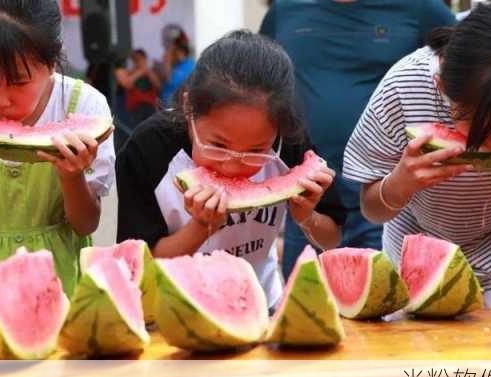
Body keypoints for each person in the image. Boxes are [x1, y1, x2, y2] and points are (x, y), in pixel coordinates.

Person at [116, 31, 347, 310]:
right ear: (189, 107)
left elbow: (332, 237)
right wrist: (200, 227)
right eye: (218, 145)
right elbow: (141, 264)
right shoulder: (148, 149)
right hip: (174, 313)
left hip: (260, 306)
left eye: (256, 150)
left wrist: (307, 217)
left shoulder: (288, 143)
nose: (233, 165)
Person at [0, 0, 115, 333]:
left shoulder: (84, 105)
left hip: (60, 287)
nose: (0, 100)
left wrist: (72, 177)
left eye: (17, 82)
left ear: (51, 60)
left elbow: (86, 224)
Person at [343, 0, 491, 308]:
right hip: (417, 258)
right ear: (441, 86)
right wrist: (399, 185)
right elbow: (370, 208)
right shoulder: (403, 88)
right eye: (474, 126)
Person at [260, 0, 457, 278]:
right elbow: (261, 87)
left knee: (387, 311)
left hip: (387, 203)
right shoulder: (284, 10)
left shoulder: (420, 8)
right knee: (307, 312)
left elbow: (474, 69)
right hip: (308, 204)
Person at [115, 49, 161, 129]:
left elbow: (158, 85)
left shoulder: (151, 72)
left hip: (150, 106)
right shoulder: (131, 72)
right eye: (136, 60)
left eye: (140, 59)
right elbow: (127, 84)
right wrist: (140, 71)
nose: (138, 62)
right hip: (135, 108)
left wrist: (146, 71)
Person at [159, 31, 195, 106]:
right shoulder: (175, 65)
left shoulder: (190, 65)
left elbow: (171, 81)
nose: (171, 53)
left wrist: (167, 61)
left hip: (178, 108)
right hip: (167, 106)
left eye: (174, 50)